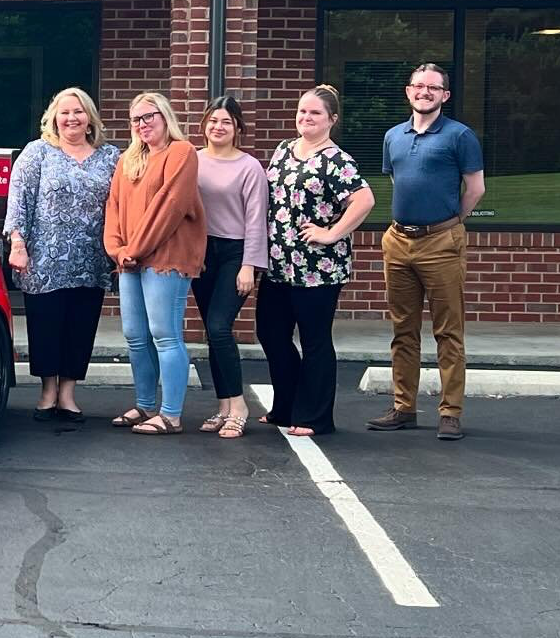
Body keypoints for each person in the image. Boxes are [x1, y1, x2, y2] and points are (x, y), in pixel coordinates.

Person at [368, 62, 485, 441]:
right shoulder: (393, 136)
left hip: (441, 241)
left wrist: (450, 221)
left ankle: (450, 412)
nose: (425, 92)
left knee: (448, 332)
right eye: (418, 86)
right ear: (408, 91)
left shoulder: (460, 136)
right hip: (399, 240)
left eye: (433, 88)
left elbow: (475, 189)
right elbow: (396, 179)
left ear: (444, 95)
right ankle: (404, 408)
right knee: (403, 330)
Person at [256, 85, 375, 437]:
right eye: (302, 111)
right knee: (271, 333)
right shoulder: (283, 149)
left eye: (315, 113)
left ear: (331, 120)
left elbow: (364, 200)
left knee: (315, 340)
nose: (306, 118)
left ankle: (315, 417)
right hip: (278, 263)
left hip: (318, 269)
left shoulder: (337, 160)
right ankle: (286, 405)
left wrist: (332, 232)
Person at [4, 87, 121, 424]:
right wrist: (18, 243)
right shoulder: (37, 152)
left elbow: (125, 203)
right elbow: (19, 201)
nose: (72, 118)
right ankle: (47, 392)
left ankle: (68, 393)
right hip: (44, 259)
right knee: (46, 325)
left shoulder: (110, 156)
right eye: (65, 112)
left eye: (79, 112)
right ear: (54, 118)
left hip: (92, 259)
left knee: (80, 327)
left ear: (90, 119)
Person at [103, 92, 207, 436]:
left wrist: (137, 248)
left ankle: (171, 414)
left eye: (150, 116)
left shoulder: (182, 152)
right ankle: (146, 405)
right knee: (135, 335)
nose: (143, 124)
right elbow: (114, 206)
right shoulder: (127, 160)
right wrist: (117, 250)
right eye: (136, 119)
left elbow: (170, 206)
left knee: (165, 334)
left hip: (167, 257)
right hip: (130, 260)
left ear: (165, 117)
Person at [191, 96, 268, 439]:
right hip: (201, 251)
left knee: (221, 327)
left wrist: (249, 265)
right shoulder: (192, 161)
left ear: (237, 127)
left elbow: (256, 221)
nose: (218, 127)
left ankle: (239, 405)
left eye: (225, 121)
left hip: (235, 253)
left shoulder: (249, 167)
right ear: (204, 125)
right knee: (212, 330)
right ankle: (223, 407)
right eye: (212, 121)